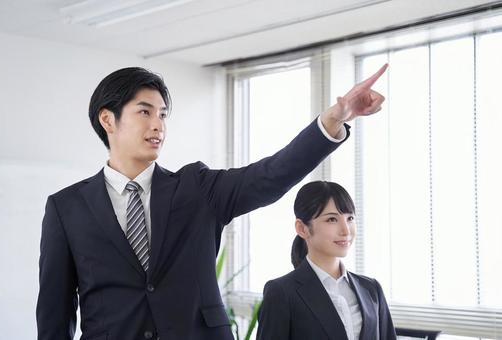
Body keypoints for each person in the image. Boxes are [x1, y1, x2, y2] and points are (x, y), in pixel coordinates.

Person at [36, 65, 387, 340]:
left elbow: (271, 175)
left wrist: (334, 119)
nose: (158, 125)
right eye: (145, 112)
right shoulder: (66, 208)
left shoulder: (197, 188)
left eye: (162, 114)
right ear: (107, 119)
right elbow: (55, 314)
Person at [256, 181, 397, 340]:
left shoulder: (372, 289)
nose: (345, 230)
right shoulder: (281, 293)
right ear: (302, 228)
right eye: (332, 219)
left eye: (350, 218)